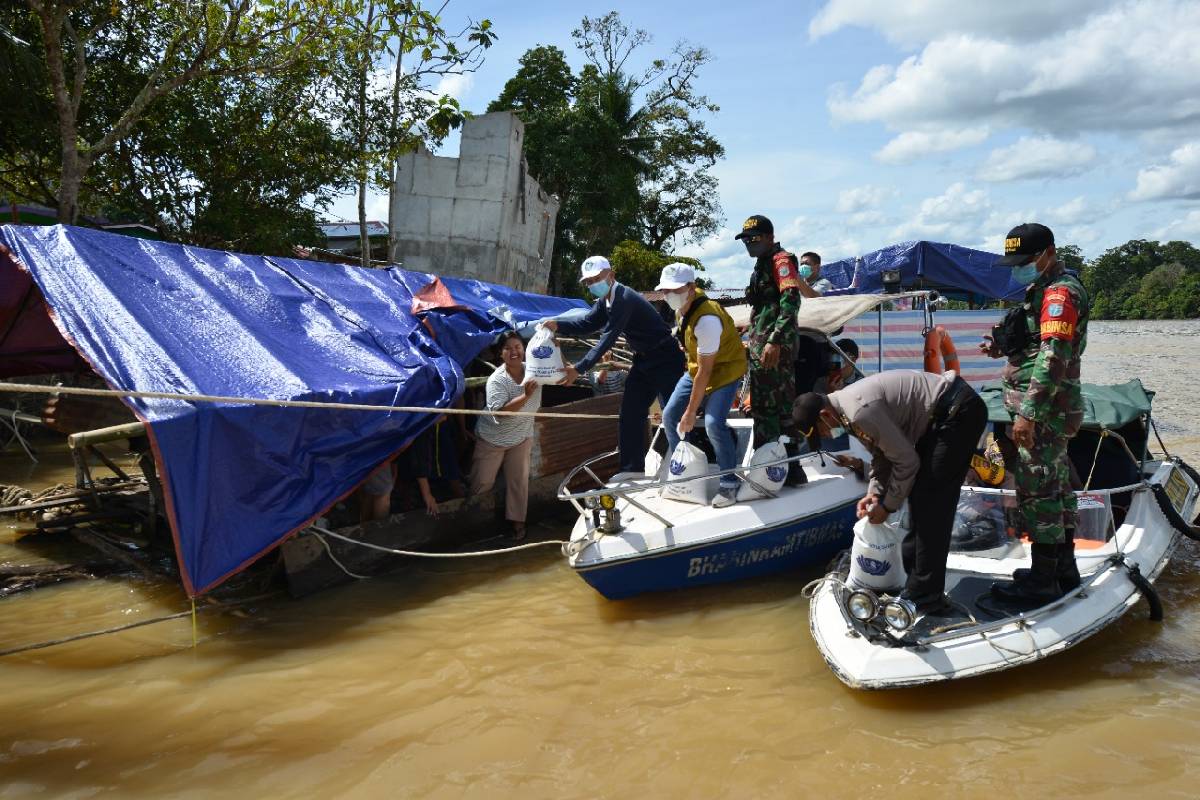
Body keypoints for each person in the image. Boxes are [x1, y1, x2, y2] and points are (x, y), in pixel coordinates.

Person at [792, 369, 988, 616]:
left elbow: (907, 462)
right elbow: (882, 456)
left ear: (825, 414)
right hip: (939, 419)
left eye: (821, 431)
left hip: (958, 413)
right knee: (919, 495)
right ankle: (913, 580)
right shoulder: (847, 413)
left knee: (931, 502)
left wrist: (887, 507)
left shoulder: (859, 412)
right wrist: (874, 494)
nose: (827, 435)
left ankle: (927, 596)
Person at [981, 222, 1090, 606]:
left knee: (1039, 490)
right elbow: (1035, 345)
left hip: (1044, 412)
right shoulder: (1041, 290)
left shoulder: (1060, 293)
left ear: (1048, 253)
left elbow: (1054, 355)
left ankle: (1043, 582)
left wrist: (1027, 414)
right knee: (1056, 488)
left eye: (1025, 260)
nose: (1019, 268)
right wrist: (1001, 348)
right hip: (1043, 409)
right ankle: (1061, 568)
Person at [543, 255, 685, 474]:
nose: (592, 284)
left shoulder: (624, 298)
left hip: (666, 357)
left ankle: (686, 466)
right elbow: (587, 323)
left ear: (612, 275)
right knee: (629, 414)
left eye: (596, 279)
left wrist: (578, 368)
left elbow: (607, 338)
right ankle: (631, 470)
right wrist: (558, 325)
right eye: (588, 282)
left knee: (672, 415)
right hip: (644, 359)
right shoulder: (605, 301)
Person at [656, 263, 748, 508]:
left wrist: (690, 412)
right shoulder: (681, 311)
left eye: (675, 290)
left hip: (725, 370)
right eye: (665, 290)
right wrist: (682, 413)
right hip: (697, 368)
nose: (669, 295)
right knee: (668, 416)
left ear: (691, 287)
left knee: (712, 423)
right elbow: (697, 365)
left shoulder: (707, 318)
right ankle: (683, 472)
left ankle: (729, 481)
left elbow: (707, 372)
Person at [736, 214, 806, 485]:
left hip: (774, 348)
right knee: (772, 408)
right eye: (745, 240)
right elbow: (765, 307)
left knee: (771, 410)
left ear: (768, 237)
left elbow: (791, 303)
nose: (749, 244)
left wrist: (774, 340)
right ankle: (782, 469)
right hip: (761, 343)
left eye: (753, 239)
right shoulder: (762, 264)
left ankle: (776, 469)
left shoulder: (781, 262)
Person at [470, 331, 542, 539]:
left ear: (525, 350)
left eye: (518, 347)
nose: (514, 352)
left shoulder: (536, 371)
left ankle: (518, 526)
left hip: (521, 436)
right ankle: (473, 523)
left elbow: (563, 374)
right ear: (500, 354)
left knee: (519, 481)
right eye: (508, 348)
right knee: (482, 482)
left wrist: (553, 340)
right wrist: (525, 395)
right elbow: (499, 413)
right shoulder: (497, 380)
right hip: (493, 438)